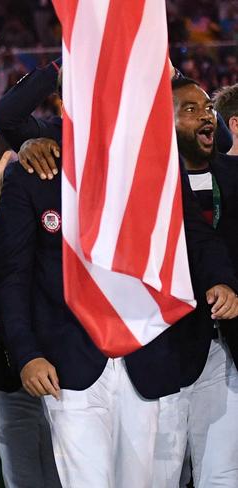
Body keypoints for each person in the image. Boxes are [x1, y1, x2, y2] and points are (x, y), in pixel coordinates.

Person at [0, 60, 238, 488]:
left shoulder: (154, 163)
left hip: (147, 352)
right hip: (69, 361)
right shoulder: (34, 169)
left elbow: (194, 235)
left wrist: (221, 279)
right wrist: (27, 353)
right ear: (66, 100)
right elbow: (13, 276)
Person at [151, 77, 238, 488]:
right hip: (161, 348)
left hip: (226, 352)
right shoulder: (146, 187)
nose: (205, 114)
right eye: (189, 109)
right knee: (157, 476)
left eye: (208, 107)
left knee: (220, 475)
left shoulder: (234, 174)